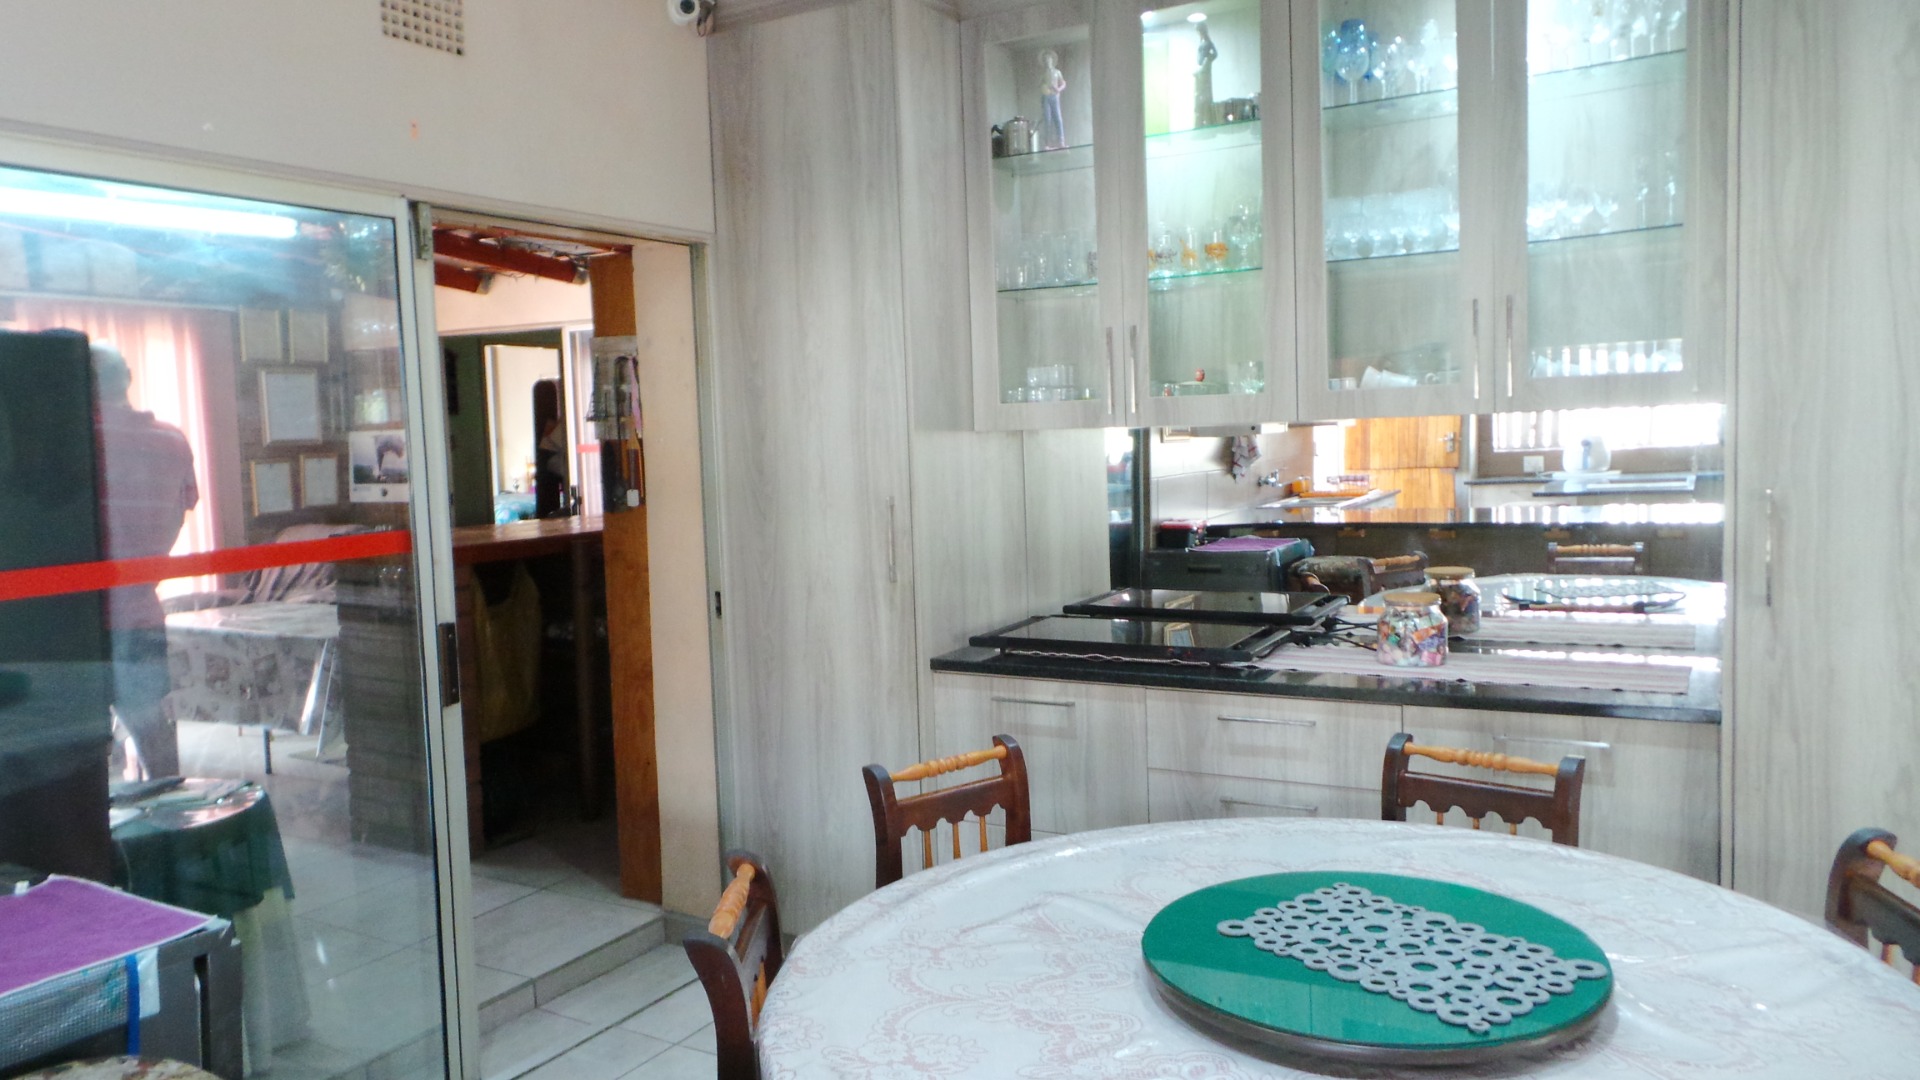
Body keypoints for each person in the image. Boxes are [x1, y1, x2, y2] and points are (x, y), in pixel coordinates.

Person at [93, 343, 198, 779]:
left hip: (77, 621)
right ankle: (170, 809)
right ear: (128, 378)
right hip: (141, 611)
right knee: (153, 734)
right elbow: (178, 513)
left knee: (81, 751)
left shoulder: (75, 442)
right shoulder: (172, 440)